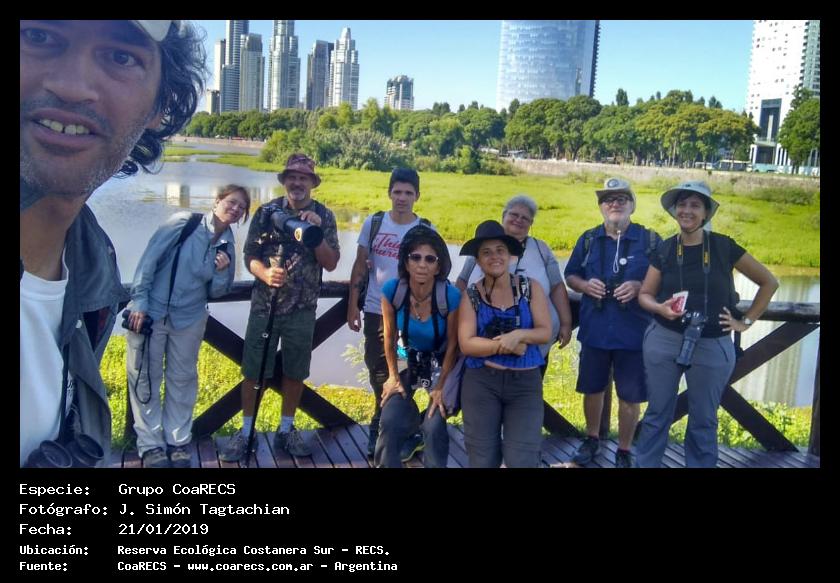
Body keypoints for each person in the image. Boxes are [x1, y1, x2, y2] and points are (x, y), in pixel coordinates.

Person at [20, 20, 206, 467]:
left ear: (160, 106)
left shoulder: (90, 261)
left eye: (121, 57)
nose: (71, 86)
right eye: (38, 36)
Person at [635, 181, 778, 468]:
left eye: (695, 205)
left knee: (704, 418)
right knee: (657, 414)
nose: (687, 210)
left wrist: (746, 321)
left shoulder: (724, 246)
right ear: (675, 211)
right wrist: (660, 308)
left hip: (712, 343)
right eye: (682, 204)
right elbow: (645, 295)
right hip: (665, 339)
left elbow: (769, 282)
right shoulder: (665, 249)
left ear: (705, 213)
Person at [220, 154, 340, 462]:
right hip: (265, 306)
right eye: (292, 177)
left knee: (295, 372)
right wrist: (263, 273)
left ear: (312, 183)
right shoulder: (266, 212)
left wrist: (315, 236)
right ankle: (246, 432)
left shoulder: (325, 216)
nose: (297, 182)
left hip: (303, 308)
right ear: (285, 181)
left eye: (303, 178)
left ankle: (286, 430)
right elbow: (249, 255)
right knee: (253, 371)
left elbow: (331, 262)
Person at [125, 186, 250, 468]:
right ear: (217, 201)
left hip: (190, 318)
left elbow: (217, 291)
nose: (235, 209)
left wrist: (221, 272)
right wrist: (140, 300)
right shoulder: (183, 223)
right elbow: (149, 260)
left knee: (183, 380)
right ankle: (150, 445)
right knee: (145, 378)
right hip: (153, 312)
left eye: (242, 207)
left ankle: (177, 441)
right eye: (231, 202)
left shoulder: (228, 245)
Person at [563, 178, 662, 468]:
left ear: (632, 205)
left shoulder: (650, 240)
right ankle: (592, 438)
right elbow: (570, 275)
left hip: (634, 333)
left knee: (630, 396)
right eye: (608, 199)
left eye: (621, 199)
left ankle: (624, 449)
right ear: (601, 207)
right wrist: (584, 285)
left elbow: (666, 278)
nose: (614, 204)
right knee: (592, 389)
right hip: (595, 331)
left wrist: (640, 286)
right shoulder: (588, 239)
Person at [346, 168, 432, 458]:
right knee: (378, 371)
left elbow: (436, 272)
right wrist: (352, 305)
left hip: (411, 316)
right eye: (397, 192)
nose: (402, 198)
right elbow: (360, 264)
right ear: (389, 193)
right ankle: (404, 426)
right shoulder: (374, 223)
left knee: (406, 373)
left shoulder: (425, 229)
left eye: (408, 193)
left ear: (417, 196)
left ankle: (381, 426)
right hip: (374, 310)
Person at [457, 221, 552, 468]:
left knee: (522, 458)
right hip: (482, 382)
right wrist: (505, 345)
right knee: (482, 457)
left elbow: (544, 332)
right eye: (486, 252)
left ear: (510, 255)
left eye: (500, 250)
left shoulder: (530, 287)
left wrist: (518, 335)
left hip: (525, 384)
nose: (495, 257)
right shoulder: (471, 295)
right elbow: (466, 343)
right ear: (478, 261)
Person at [456, 195, 572, 375]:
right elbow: (462, 281)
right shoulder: (481, 246)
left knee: (528, 385)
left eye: (525, 218)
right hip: (483, 344)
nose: (519, 220)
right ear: (504, 215)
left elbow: (557, 286)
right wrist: (456, 322)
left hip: (532, 345)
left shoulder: (541, 249)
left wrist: (566, 323)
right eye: (514, 214)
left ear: (531, 223)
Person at [375, 226, 460, 468]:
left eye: (430, 259)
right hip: (407, 356)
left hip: (440, 361)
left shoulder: (450, 296)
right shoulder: (393, 290)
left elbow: (453, 345)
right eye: (416, 257)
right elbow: (389, 337)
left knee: (434, 424)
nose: (422, 265)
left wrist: (441, 387)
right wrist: (392, 377)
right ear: (406, 262)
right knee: (390, 418)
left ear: (438, 266)